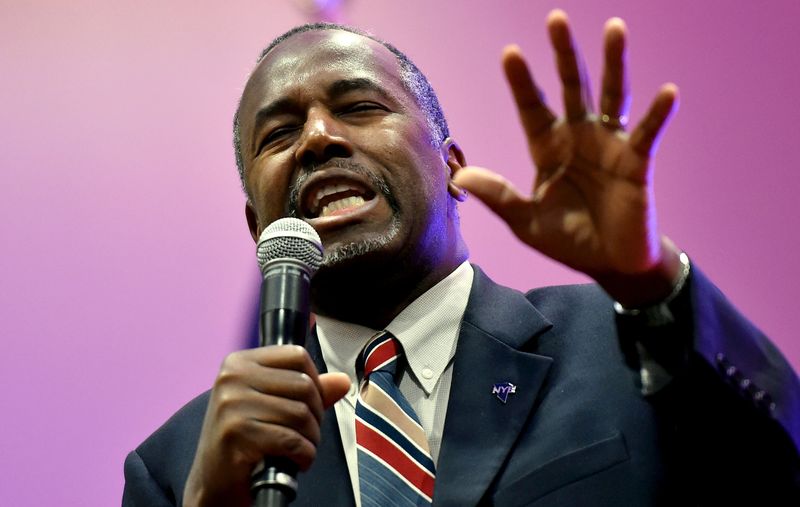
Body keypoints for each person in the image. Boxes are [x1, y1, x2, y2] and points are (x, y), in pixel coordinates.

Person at [123, 10, 800, 506]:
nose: (319, 138)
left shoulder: (628, 342)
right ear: (257, 225)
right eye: (280, 132)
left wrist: (650, 281)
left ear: (452, 166)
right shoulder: (179, 464)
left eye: (359, 105)